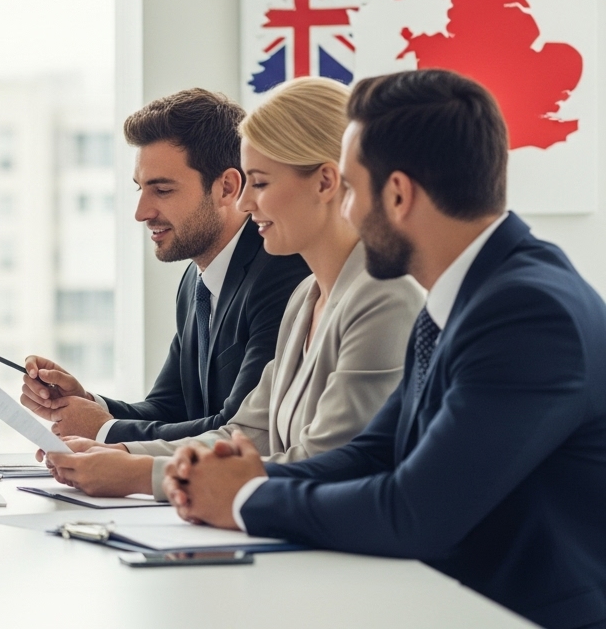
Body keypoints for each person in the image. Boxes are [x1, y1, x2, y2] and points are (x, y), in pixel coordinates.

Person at [163, 70, 606, 629]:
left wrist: (245, 499)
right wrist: (240, 483)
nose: (343, 211)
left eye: (350, 188)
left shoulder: (527, 314)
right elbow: (373, 453)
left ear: (397, 194)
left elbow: (414, 512)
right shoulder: (469, 293)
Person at [44, 78, 422, 497]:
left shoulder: (385, 298)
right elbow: (248, 433)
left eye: (258, 183)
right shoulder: (306, 298)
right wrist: (122, 453)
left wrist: (140, 473)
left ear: (325, 183)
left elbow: (324, 461)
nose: (244, 203)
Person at [21, 89, 309, 442]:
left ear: (227, 188)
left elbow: (241, 429)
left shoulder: (282, 272)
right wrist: (86, 402)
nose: (141, 212)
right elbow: (168, 408)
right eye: (140, 189)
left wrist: (104, 430)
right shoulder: (196, 282)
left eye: (162, 190)